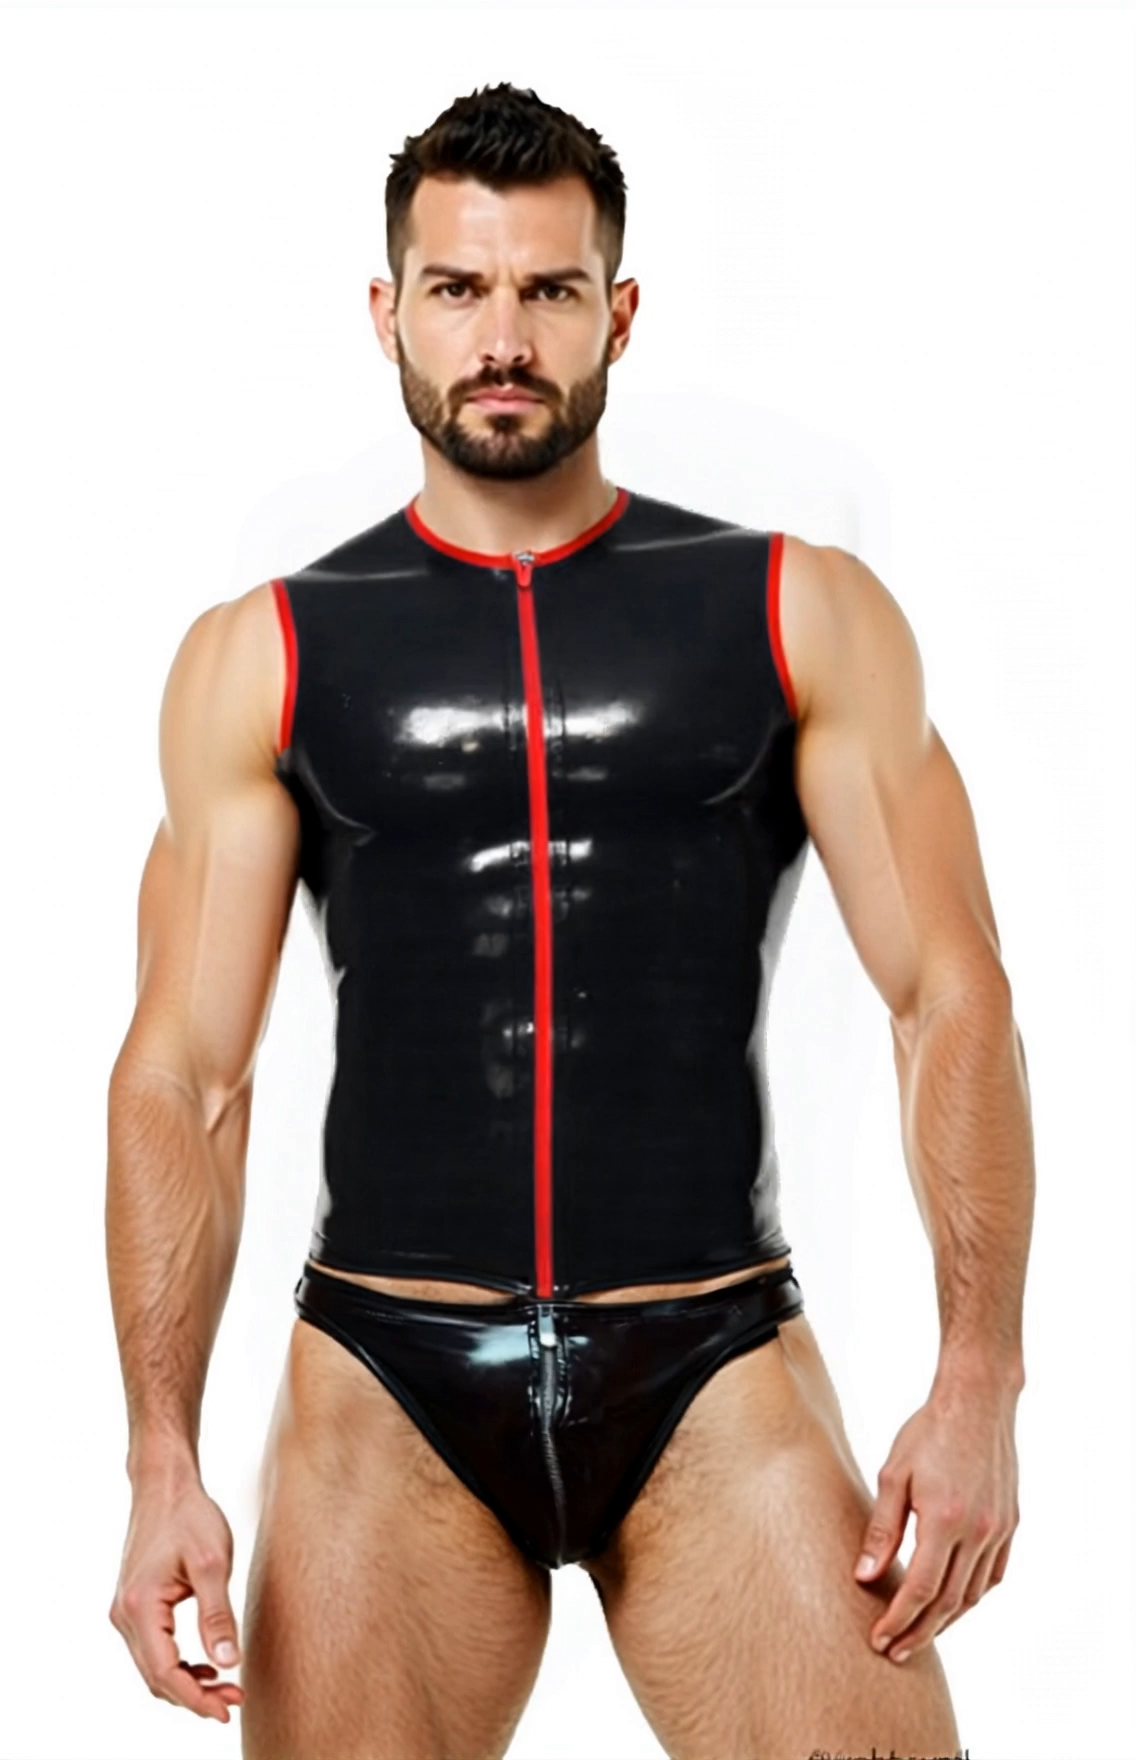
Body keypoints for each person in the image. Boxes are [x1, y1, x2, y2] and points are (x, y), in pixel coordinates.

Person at [106, 81, 1033, 1760]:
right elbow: (186, 1076)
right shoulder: (267, 652)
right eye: (458, 289)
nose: (503, 337)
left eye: (548, 289)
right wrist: (158, 1456)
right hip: (384, 1381)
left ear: (619, 310)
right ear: (388, 311)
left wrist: (980, 1383)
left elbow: (947, 997)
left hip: (713, 1362)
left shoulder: (794, 610)